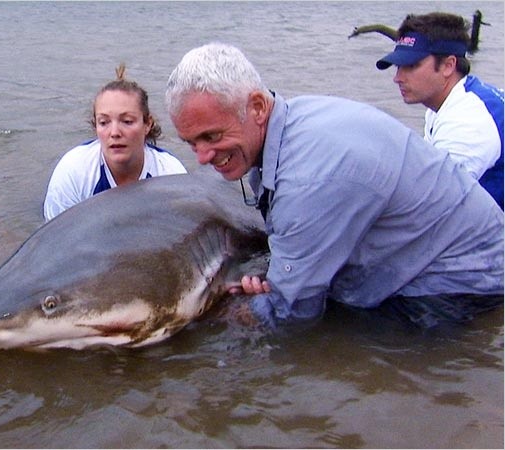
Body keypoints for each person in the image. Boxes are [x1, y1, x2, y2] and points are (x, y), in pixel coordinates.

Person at [165, 42, 503, 329]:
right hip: (437, 249)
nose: (203, 156)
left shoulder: (309, 177)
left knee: (341, 344)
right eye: (191, 142)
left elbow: (293, 312)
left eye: (212, 136)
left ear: (256, 107)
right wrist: (284, 274)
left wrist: (220, 316)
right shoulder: (293, 122)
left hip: (462, 283)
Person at [376, 12, 504, 209]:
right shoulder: (450, 103)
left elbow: (431, 206)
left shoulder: (467, 121)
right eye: (398, 66)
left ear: (448, 65)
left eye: (411, 66)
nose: (398, 77)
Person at [43, 65, 187, 221]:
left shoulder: (171, 174)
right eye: (104, 122)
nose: (115, 132)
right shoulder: (73, 171)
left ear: (147, 124)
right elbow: (55, 240)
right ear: (95, 125)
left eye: (127, 121)